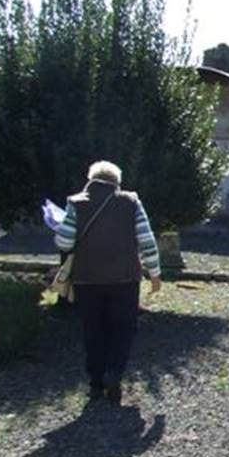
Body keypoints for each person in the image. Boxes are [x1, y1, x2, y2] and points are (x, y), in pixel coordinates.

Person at [54, 161, 162, 405]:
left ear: (91, 179)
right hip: (125, 279)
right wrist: (155, 274)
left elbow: (63, 242)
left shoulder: (76, 203)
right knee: (124, 328)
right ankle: (114, 372)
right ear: (117, 182)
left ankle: (95, 383)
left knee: (93, 330)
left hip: (87, 279)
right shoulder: (131, 202)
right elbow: (146, 240)